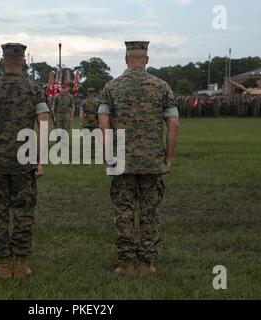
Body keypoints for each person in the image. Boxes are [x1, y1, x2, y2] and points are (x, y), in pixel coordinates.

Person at [98, 41, 180, 278]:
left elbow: (103, 124)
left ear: (126, 60)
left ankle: (125, 264)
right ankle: (147, 264)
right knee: (150, 211)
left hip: (121, 160)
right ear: (146, 59)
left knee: (124, 211)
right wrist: (169, 158)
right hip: (152, 162)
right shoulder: (162, 87)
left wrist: (108, 155)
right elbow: (174, 124)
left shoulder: (112, 87)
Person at [0, 43, 49, 280]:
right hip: (26, 161)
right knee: (24, 211)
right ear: (24, 63)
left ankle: (4, 265)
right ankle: (22, 265)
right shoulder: (35, 90)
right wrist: (41, 160)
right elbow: (44, 125)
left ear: (2, 62)